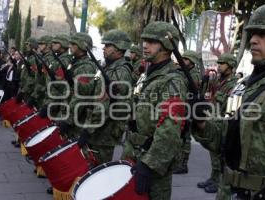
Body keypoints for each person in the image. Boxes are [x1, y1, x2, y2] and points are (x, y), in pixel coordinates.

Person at [192, 3, 265, 199]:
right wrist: (201, 121)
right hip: (228, 190)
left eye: (263, 34)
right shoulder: (244, 85)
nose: (254, 40)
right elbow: (226, 138)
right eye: (253, 34)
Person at [122, 21, 188, 200]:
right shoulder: (147, 75)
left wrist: (149, 165)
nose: (144, 45)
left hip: (152, 163)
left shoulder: (172, 81)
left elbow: (169, 131)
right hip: (133, 154)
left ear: (166, 46)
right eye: (144, 41)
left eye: (152, 41)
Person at [80, 29, 134, 163]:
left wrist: (88, 129)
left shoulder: (120, 71)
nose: (104, 48)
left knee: (97, 167)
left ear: (119, 48)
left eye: (108, 45)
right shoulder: (108, 68)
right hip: (98, 128)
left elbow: (106, 105)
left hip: (105, 131)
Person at [196, 53, 238, 193]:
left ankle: (219, 182)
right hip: (212, 119)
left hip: (222, 122)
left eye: (222, 64)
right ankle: (213, 178)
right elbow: (208, 95)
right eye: (218, 63)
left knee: (220, 156)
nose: (219, 66)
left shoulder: (233, 85)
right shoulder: (218, 81)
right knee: (213, 153)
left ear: (230, 67)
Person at [57, 32, 96, 140]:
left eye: (73, 44)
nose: (70, 46)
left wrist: (68, 120)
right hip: (66, 112)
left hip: (74, 121)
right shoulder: (75, 63)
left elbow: (80, 96)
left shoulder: (86, 67)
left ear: (82, 45)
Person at [173, 50, 202, 174]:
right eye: (182, 59)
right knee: (179, 136)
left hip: (188, 108)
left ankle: (183, 164)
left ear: (192, 62)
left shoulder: (194, 74)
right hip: (181, 107)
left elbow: (192, 87)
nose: (182, 61)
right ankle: (177, 161)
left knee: (185, 138)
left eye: (186, 59)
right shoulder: (182, 71)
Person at [39, 34, 73, 119]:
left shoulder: (65, 60)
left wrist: (49, 105)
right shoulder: (58, 59)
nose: (52, 44)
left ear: (63, 44)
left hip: (54, 104)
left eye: (55, 42)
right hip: (48, 99)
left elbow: (59, 85)